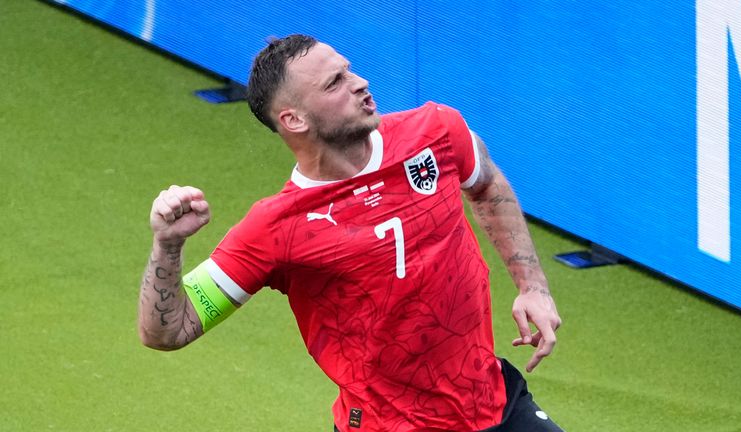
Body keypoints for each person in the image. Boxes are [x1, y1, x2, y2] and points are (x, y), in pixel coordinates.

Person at [137, 34, 563, 432]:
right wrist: (167, 247)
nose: (360, 83)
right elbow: (168, 331)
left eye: (349, 69)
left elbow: (486, 184)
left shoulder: (434, 131)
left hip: (494, 402)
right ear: (293, 119)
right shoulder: (276, 228)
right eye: (335, 83)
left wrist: (533, 286)